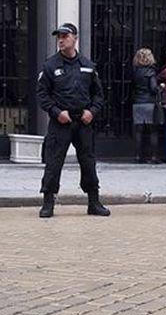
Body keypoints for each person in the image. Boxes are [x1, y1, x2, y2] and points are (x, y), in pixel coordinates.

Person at [36, 22, 110, 218]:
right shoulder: (50, 66)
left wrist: (92, 112)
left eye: (65, 36)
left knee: (88, 162)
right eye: (58, 36)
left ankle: (93, 202)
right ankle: (48, 202)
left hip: (83, 122)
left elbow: (99, 95)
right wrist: (56, 112)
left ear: (75, 38)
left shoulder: (87, 65)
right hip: (61, 121)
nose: (60, 40)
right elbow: (42, 95)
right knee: (53, 161)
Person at [132, 47, 163, 163]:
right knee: (152, 131)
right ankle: (154, 156)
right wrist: (161, 87)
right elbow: (153, 88)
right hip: (149, 102)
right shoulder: (151, 72)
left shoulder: (135, 71)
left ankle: (137, 156)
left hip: (137, 103)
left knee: (138, 131)